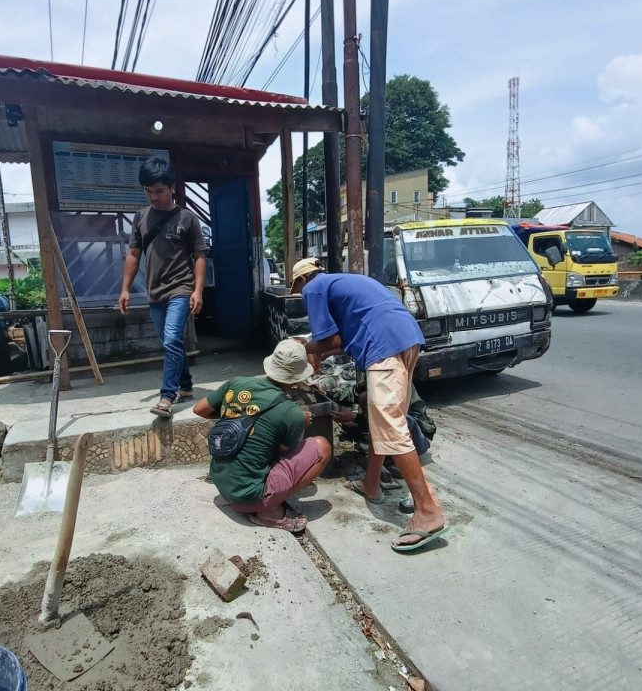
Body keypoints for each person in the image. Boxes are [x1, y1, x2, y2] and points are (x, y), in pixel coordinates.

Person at [290, 257, 448, 552]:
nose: (301, 296)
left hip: (382, 346)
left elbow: (326, 341)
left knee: (391, 427)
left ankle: (427, 511)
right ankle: (371, 483)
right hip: (406, 337)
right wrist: (316, 350)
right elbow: (340, 342)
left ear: (301, 280)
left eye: (297, 290)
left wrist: (301, 347)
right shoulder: (343, 284)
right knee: (383, 423)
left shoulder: (314, 287)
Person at [193, 339, 332, 533]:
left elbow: (199, 409)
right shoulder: (291, 412)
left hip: (222, 486)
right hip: (247, 498)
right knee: (322, 447)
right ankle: (269, 508)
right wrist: (301, 423)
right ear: (297, 377)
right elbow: (282, 451)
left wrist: (236, 414)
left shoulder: (236, 383)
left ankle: (260, 496)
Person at [119, 157, 207, 418]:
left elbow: (199, 256)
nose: (153, 197)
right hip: (154, 292)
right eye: (148, 191)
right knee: (172, 342)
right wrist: (125, 289)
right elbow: (133, 254)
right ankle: (186, 385)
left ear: (171, 187)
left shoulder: (187, 219)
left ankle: (167, 397)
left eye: (158, 191)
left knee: (171, 340)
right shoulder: (140, 217)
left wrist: (197, 291)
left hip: (180, 288)